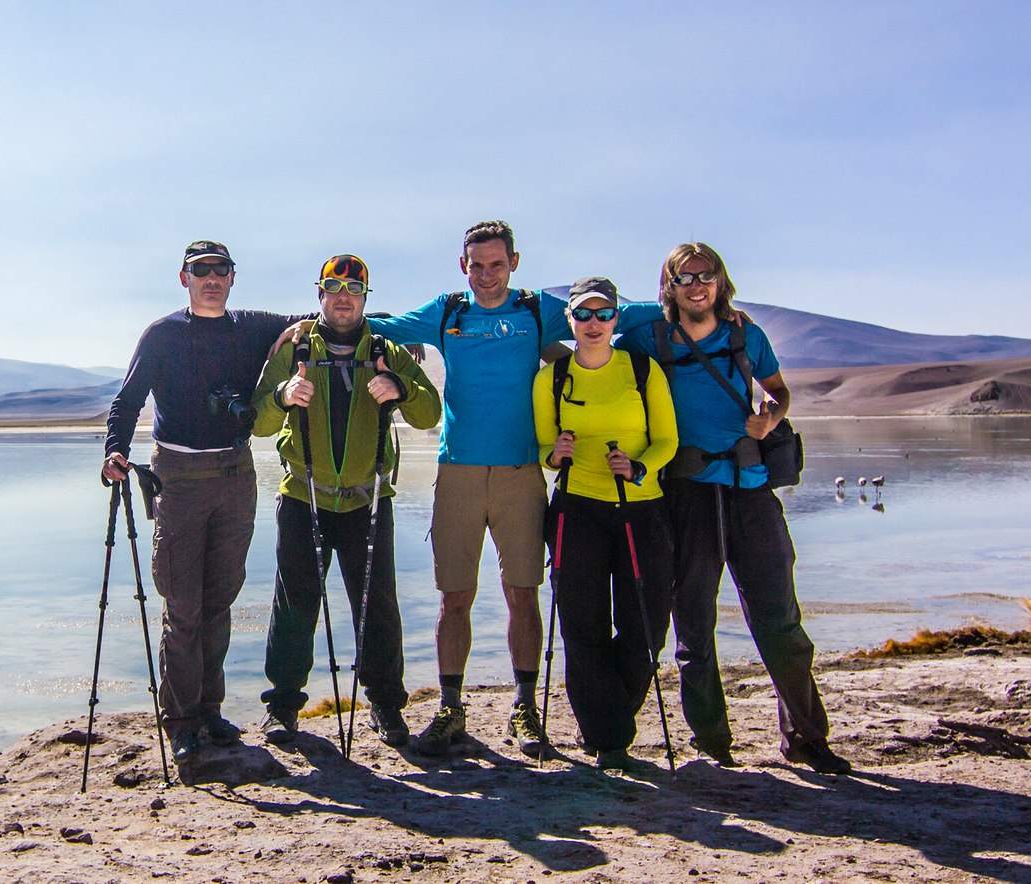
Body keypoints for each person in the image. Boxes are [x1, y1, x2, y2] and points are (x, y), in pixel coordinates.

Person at [363, 221, 666, 757]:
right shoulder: (448, 311)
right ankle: (451, 708)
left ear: (515, 262)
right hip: (457, 470)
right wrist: (304, 325)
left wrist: (691, 310)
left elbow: (630, 314)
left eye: (496, 264)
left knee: (522, 594)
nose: (486, 275)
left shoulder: (538, 310)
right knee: (454, 597)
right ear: (463, 266)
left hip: (523, 475)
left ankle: (524, 708)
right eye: (476, 265)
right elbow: (383, 324)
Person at [615, 242, 851, 774]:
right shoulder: (648, 338)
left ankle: (807, 738)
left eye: (707, 275)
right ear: (668, 286)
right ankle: (712, 740)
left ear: (721, 281)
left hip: (750, 487)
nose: (698, 286)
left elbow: (778, 391)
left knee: (779, 618)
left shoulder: (746, 334)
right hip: (684, 491)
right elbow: (590, 341)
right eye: (685, 278)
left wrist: (771, 415)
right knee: (693, 621)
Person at [102, 240, 308, 764]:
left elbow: (323, 315)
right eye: (201, 272)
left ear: (233, 278)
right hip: (180, 478)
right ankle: (181, 722)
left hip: (236, 475)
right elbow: (128, 399)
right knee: (183, 604)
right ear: (184, 278)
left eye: (220, 271)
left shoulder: (253, 326)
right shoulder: (163, 334)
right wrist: (115, 451)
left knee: (220, 601)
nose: (211, 279)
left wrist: (391, 336)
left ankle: (211, 711)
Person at [251, 255, 441, 748]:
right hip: (302, 497)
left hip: (369, 501)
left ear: (364, 298)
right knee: (295, 604)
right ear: (320, 294)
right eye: (333, 287)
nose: (343, 296)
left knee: (377, 605)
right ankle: (284, 707)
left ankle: (385, 705)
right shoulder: (294, 349)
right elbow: (257, 423)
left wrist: (399, 387)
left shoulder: (386, 350)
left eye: (353, 289)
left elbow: (428, 415)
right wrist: (281, 396)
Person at [532, 277, 678, 771]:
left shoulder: (641, 369)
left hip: (641, 509)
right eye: (583, 314)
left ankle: (610, 719)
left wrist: (638, 468)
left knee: (646, 625)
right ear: (570, 320)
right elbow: (542, 448)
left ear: (617, 319)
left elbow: (667, 441)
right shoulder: (550, 378)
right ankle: (608, 738)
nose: (593, 324)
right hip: (577, 510)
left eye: (603, 314)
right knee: (582, 624)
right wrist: (556, 454)